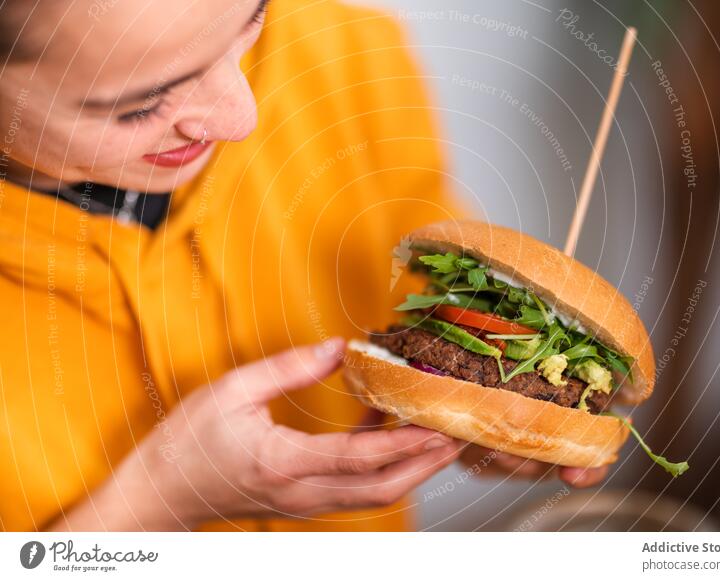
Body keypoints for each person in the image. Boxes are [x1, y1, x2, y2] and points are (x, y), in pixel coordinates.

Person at [0, 0, 607, 532]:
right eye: (140, 107)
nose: (241, 118)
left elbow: (424, 315)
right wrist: (152, 506)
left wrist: (483, 421)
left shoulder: (346, 51)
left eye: (252, 22)